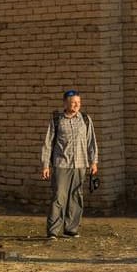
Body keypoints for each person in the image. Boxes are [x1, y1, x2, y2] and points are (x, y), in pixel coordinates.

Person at [40, 90, 99, 240]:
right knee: (59, 196)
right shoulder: (56, 120)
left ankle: (71, 229)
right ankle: (53, 230)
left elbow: (91, 142)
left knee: (76, 196)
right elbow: (48, 144)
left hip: (80, 165)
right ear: (65, 103)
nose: (76, 105)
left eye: (78, 102)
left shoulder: (85, 119)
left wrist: (94, 162)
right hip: (61, 164)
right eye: (73, 102)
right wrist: (45, 165)